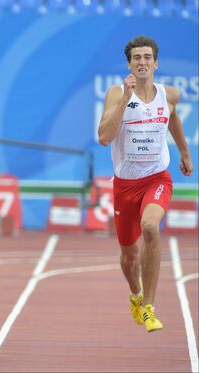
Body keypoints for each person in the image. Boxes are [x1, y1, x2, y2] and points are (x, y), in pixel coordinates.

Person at [98, 35, 193, 332]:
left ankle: (149, 307)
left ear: (155, 63)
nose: (142, 62)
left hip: (157, 178)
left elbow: (173, 117)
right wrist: (126, 101)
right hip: (125, 185)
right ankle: (136, 296)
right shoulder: (117, 94)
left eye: (147, 58)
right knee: (129, 254)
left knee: (151, 227)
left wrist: (185, 152)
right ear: (129, 64)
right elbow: (104, 137)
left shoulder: (170, 95)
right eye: (137, 58)